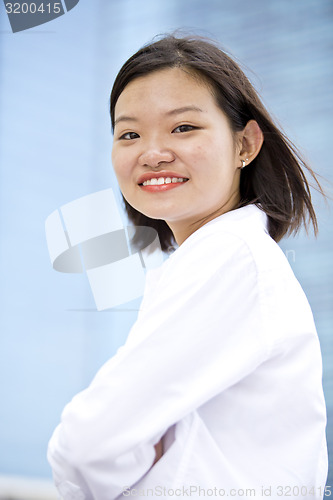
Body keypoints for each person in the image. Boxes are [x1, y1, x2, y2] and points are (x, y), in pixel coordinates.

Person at [47, 34, 328, 499]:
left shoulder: (230, 256)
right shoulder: (218, 256)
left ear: (246, 144)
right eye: (129, 134)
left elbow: (86, 447)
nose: (152, 152)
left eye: (183, 128)